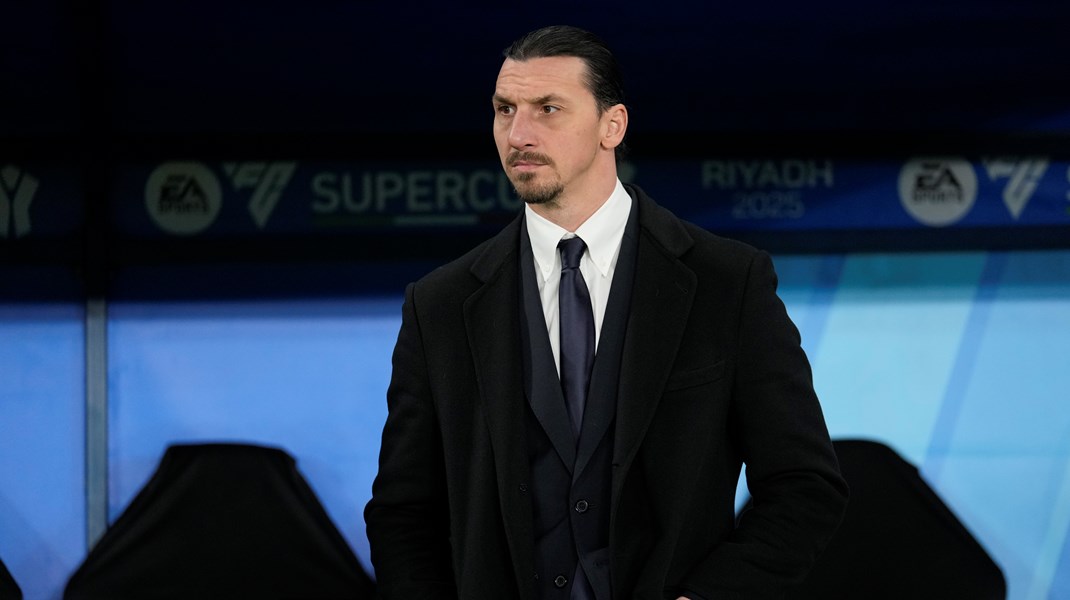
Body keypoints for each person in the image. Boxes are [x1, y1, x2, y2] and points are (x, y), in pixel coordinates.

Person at [364, 25, 848, 600]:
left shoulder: (727, 282)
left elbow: (803, 485)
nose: (518, 134)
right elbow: (403, 512)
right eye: (504, 110)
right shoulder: (439, 305)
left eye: (548, 109)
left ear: (612, 126)